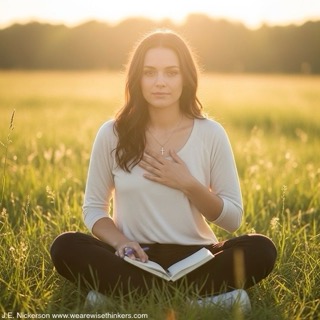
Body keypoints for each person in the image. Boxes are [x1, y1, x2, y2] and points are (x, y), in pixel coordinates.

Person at [50, 29, 277, 311]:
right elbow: (94, 208)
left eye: (171, 72)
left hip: (197, 258)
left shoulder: (211, 134)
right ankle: (201, 303)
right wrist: (121, 242)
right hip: (134, 256)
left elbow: (232, 219)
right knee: (65, 246)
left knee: (261, 249)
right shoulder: (112, 133)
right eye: (149, 73)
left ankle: (119, 299)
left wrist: (188, 184)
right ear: (137, 78)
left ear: (186, 78)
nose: (160, 82)